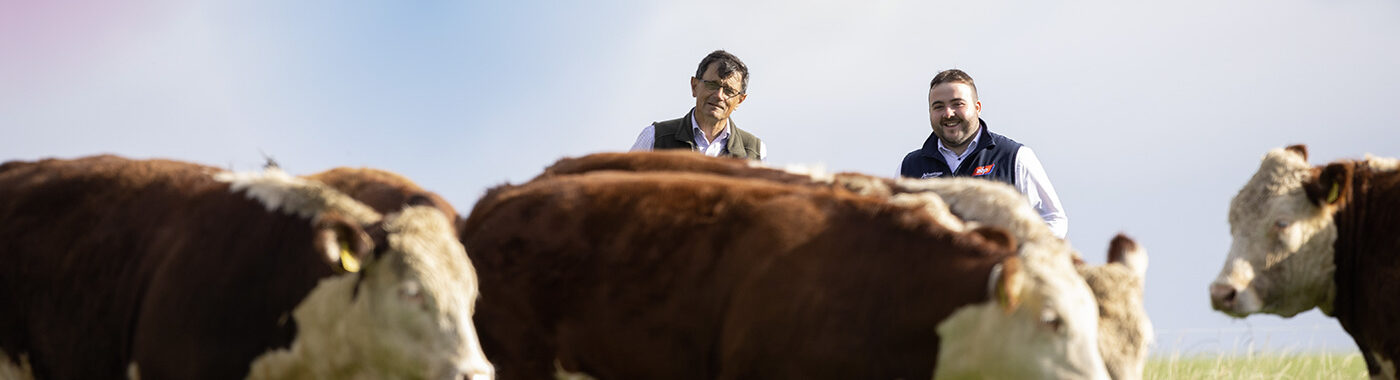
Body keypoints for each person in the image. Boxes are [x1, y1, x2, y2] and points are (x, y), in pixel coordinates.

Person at [899, 69, 1069, 238]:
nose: (948, 113)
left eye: (957, 104)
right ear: (930, 112)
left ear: (977, 107)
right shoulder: (910, 166)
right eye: (938, 106)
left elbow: (1053, 219)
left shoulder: (1014, 157)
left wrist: (1023, 259)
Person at [630, 50, 767, 161]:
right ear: (694, 86)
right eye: (712, 85)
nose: (719, 95)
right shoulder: (655, 137)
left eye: (729, 91)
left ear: (740, 100)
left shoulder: (755, 152)